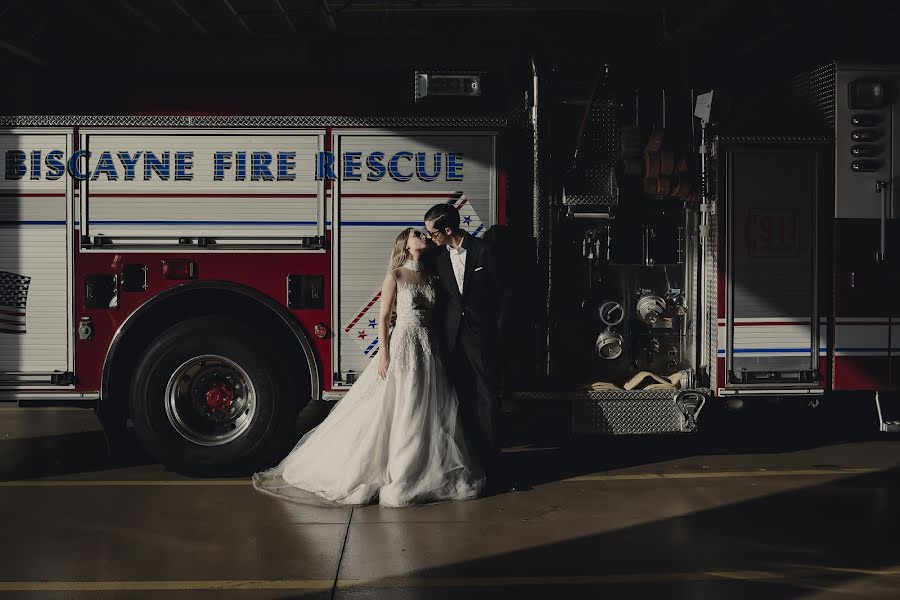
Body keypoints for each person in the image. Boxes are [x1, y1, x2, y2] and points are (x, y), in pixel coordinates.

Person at [252, 228, 484, 507]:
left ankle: (423, 467)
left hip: (428, 346)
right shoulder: (396, 276)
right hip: (403, 344)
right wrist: (384, 353)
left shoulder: (431, 275)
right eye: (416, 235)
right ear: (405, 244)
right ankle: (399, 470)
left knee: (426, 403)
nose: (423, 237)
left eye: (424, 234)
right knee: (401, 402)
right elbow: (385, 316)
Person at [424, 204, 507, 492]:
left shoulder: (485, 251)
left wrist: (495, 332)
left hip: (481, 337)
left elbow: (503, 294)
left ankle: (493, 467)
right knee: (459, 400)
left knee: (487, 399)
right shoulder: (436, 258)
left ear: (448, 231)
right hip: (451, 338)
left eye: (432, 233)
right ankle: (467, 466)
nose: (429, 238)